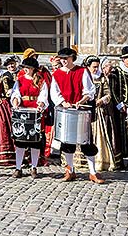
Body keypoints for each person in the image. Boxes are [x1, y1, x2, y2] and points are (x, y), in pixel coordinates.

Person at [50, 47, 105, 184]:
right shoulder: (56, 74)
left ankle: (92, 173)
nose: (63, 61)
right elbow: (54, 93)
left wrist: (82, 100)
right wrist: (63, 102)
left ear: (72, 58)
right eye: (61, 59)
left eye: (66, 59)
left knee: (87, 142)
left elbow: (90, 90)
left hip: (81, 111)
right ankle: (70, 171)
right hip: (66, 110)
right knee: (68, 143)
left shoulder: (82, 71)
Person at [9, 57, 48, 178]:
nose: (25, 70)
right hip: (22, 111)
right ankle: (18, 167)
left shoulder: (41, 81)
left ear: (33, 69)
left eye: (28, 68)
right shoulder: (19, 80)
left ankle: (34, 167)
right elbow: (16, 94)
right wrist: (15, 103)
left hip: (35, 111)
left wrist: (40, 105)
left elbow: (44, 95)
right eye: (24, 67)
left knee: (35, 142)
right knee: (20, 141)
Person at [84, 55, 122, 173]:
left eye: (97, 67)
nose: (95, 69)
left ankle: (101, 161)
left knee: (101, 136)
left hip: (99, 111)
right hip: (86, 109)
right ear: (88, 67)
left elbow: (108, 94)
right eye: (93, 67)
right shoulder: (84, 77)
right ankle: (84, 162)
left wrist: (101, 100)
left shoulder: (102, 78)